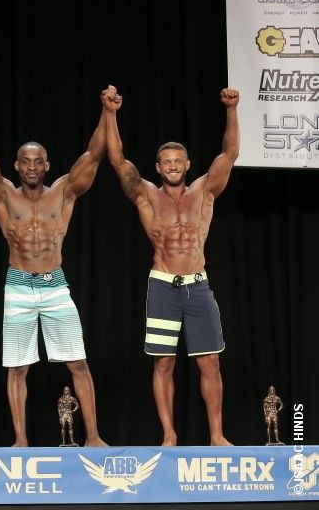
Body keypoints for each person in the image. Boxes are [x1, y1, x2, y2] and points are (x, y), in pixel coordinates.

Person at [0, 85, 113, 447]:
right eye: (25, 161)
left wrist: (107, 111)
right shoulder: (3, 194)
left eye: (38, 162)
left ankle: (94, 437)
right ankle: (21, 441)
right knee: (18, 367)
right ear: (16, 166)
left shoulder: (63, 192)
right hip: (18, 284)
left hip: (54, 284)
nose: (32, 167)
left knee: (78, 362)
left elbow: (95, 154)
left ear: (47, 165)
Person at [105, 87, 239, 446]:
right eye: (166, 162)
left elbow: (229, 153)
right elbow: (117, 160)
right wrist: (111, 113)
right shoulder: (146, 195)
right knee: (163, 363)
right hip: (163, 285)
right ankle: (169, 435)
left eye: (178, 161)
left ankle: (217, 436)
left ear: (188, 164)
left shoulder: (204, 191)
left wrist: (231, 109)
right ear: (158, 167)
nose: (173, 166)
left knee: (210, 363)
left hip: (198, 286)